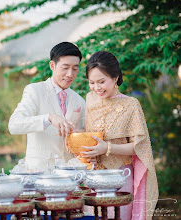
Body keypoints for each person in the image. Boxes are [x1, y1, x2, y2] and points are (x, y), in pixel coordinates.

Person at [81, 51, 158, 220]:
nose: (96, 88)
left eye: (101, 81)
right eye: (92, 82)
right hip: (93, 178)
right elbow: (89, 135)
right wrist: (89, 152)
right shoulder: (89, 99)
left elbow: (139, 147)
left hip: (120, 178)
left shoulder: (131, 104)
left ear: (115, 78)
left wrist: (106, 148)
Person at [8, 42, 86, 173]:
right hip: (39, 173)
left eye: (75, 68)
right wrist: (49, 118)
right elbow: (14, 125)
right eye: (65, 67)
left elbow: (84, 133)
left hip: (70, 175)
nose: (70, 74)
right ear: (52, 65)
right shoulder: (35, 90)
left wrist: (79, 134)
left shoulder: (79, 100)